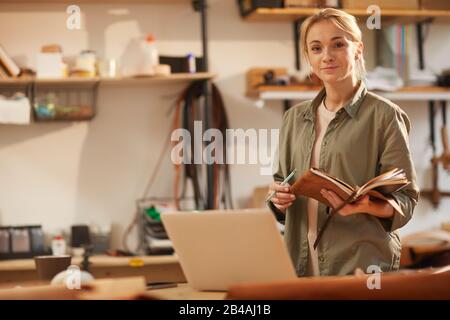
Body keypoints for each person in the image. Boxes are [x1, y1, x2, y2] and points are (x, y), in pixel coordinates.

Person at [268, 8, 419, 276]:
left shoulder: (384, 116)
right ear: (308, 57)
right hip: (298, 267)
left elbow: (406, 199)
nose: (326, 56)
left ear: (358, 49)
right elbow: (282, 183)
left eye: (338, 44)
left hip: (361, 268)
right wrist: (278, 199)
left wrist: (368, 205)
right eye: (316, 48)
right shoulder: (293, 118)